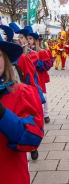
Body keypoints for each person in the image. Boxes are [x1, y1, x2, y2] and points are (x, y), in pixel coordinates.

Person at [0, 33, 44, 184]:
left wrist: (2, 115)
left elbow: (32, 139)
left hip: (10, 176)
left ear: (5, 60)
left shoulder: (21, 93)